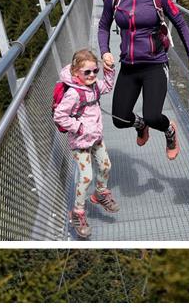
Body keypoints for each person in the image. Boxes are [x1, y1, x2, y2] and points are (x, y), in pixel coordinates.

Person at [97, 0, 189, 160]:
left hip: (154, 65)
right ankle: (140, 125)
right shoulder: (114, 0)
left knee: (154, 116)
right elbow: (103, 26)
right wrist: (105, 51)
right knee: (119, 118)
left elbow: (180, 23)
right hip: (128, 67)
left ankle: (169, 130)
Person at [53, 48, 118, 240]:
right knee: (86, 176)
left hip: (96, 137)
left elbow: (107, 86)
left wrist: (109, 70)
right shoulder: (73, 94)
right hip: (81, 142)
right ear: (75, 73)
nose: (92, 75)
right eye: (87, 72)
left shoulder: (94, 86)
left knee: (106, 166)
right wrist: (79, 128)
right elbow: (59, 116)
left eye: (94, 71)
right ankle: (77, 213)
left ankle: (100, 194)